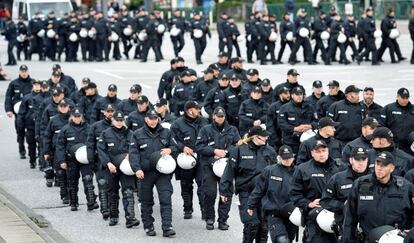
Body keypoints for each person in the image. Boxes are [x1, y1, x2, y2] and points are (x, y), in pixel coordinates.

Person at [220, 126, 277, 243]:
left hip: (265, 193)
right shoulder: (239, 150)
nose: (266, 138)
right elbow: (229, 171)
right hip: (246, 192)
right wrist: (225, 191)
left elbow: (278, 171)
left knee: (264, 226)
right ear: (256, 137)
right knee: (252, 224)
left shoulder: (270, 151)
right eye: (264, 136)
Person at [342, 151, 414, 242]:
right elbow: (350, 217)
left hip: (395, 239)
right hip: (367, 238)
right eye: (377, 164)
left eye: (384, 165)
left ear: (392, 168)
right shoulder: (360, 184)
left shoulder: (406, 187)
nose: (379, 168)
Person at [130, 109, 177, 237]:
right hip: (145, 173)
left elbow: (176, 147)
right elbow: (133, 153)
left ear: (158, 119)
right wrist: (137, 169)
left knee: (166, 198)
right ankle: (148, 226)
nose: (152, 121)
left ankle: (167, 226)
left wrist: (170, 150)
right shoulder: (137, 134)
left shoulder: (166, 132)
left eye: (155, 118)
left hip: (162, 172)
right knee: (146, 201)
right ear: (146, 119)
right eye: (150, 118)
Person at [290, 140, 346, 243]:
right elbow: (294, 194)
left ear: (328, 151)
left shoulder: (340, 167)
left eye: (323, 151)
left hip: (337, 214)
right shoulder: (302, 169)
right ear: (312, 153)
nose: (321, 154)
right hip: (314, 216)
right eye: (318, 151)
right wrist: (308, 203)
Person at [195, 107, 240, 230]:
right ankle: (210, 218)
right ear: (213, 116)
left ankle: (223, 220)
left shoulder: (232, 130)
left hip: (226, 166)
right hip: (209, 165)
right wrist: (214, 151)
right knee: (210, 193)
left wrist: (225, 152)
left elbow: (237, 145)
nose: (220, 118)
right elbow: (199, 147)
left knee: (226, 193)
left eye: (222, 116)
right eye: (218, 116)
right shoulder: (205, 130)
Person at [97, 111, 140, 228]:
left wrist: (130, 154)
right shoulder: (105, 133)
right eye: (117, 120)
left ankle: (130, 218)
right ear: (113, 120)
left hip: (125, 167)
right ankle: (114, 216)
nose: (119, 122)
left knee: (129, 191)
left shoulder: (131, 133)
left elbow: (135, 148)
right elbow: (101, 150)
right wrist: (107, 163)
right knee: (112, 192)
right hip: (111, 167)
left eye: (121, 120)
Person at [247, 145, 298, 243]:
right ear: (279, 158)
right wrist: (251, 205)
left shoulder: (299, 172)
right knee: (282, 240)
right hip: (274, 213)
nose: (287, 160)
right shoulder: (269, 171)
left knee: (289, 240)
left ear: (293, 157)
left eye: (289, 158)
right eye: (284, 158)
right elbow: (259, 190)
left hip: (292, 214)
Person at [320, 147, 369, 240]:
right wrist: (343, 205)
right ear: (351, 160)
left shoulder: (375, 179)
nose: (361, 163)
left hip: (368, 227)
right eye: (357, 159)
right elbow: (325, 201)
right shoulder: (338, 178)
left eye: (364, 159)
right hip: (346, 226)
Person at [171, 101, 209, 219]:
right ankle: (187, 208)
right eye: (196, 108)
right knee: (186, 184)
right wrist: (182, 147)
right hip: (185, 158)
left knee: (202, 184)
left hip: (201, 157)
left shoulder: (204, 121)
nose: (198, 110)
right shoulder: (177, 124)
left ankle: (204, 210)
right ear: (189, 110)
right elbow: (172, 139)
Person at [55, 108, 98, 211]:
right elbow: (60, 146)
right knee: (72, 181)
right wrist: (62, 161)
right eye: (75, 116)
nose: (77, 119)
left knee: (88, 179)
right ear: (72, 117)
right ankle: (74, 202)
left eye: (79, 116)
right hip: (71, 159)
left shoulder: (89, 128)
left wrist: (93, 157)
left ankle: (91, 202)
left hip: (85, 159)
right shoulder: (65, 129)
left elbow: (94, 143)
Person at [86, 104, 114, 220]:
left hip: (114, 161)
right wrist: (91, 160)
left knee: (113, 187)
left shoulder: (120, 125)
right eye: (108, 111)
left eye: (112, 111)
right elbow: (90, 144)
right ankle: (105, 209)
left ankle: (113, 208)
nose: (110, 113)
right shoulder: (96, 126)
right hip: (100, 161)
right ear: (104, 113)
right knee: (102, 184)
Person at [4, 64, 35, 159]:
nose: (24, 73)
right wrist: (8, 110)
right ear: (19, 72)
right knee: (20, 131)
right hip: (19, 113)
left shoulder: (33, 82)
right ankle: (21, 149)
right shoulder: (14, 83)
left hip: (30, 112)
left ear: (28, 71)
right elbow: (8, 97)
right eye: (22, 71)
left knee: (32, 132)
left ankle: (32, 151)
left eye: (25, 71)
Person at [43, 99, 71, 202]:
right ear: (58, 107)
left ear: (68, 107)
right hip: (57, 151)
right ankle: (64, 195)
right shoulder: (53, 120)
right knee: (61, 174)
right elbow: (47, 136)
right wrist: (46, 152)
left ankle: (71, 195)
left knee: (70, 175)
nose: (64, 108)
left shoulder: (73, 119)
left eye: (65, 106)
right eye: (62, 106)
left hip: (71, 151)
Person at [278, 87, 318, 153]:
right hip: (291, 141)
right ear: (292, 95)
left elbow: (317, 121)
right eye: (297, 95)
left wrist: (310, 126)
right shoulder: (284, 108)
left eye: (301, 94)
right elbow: (281, 124)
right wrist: (295, 128)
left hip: (307, 140)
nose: (299, 96)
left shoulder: (310, 107)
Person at [17, 79, 42, 168]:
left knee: (41, 145)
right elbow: (21, 113)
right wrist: (20, 125)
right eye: (35, 85)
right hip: (30, 126)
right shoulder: (27, 97)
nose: (37, 86)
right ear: (33, 86)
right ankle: (32, 160)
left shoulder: (45, 97)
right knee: (31, 144)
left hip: (40, 127)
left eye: (38, 85)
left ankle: (41, 162)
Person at [380, 88, 414, 154]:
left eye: (407, 97)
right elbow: (382, 126)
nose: (405, 100)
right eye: (403, 97)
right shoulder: (388, 109)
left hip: (411, 146)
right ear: (397, 96)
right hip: (394, 145)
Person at [266, 87, 290, 151]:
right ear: (280, 95)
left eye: (288, 93)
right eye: (285, 93)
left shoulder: (292, 106)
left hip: (290, 139)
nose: (288, 95)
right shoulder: (273, 107)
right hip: (276, 138)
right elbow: (269, 125)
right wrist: (275, 138)